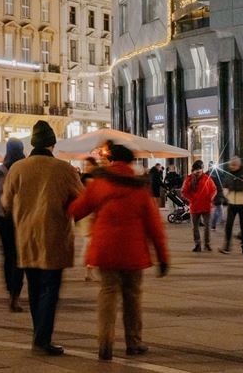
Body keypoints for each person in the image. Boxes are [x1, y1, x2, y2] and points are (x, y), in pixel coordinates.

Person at [68, 144, 167, 360]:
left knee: (107, 293)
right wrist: (163, 257)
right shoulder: (140, 187)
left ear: (111, 161)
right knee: (132, 296)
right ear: (131, 163)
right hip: (133, 251)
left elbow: (77, 209)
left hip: (105, 249)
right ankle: (133, 342)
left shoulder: (100, 183)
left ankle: (105, 344)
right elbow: (154, 225)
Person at [0, 120, 83, 357]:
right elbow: (81, 200)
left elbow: (5, 203)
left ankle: (39, 335)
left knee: (35, 288)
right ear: (52, 143)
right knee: (50, 288)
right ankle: (42, 339)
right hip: (54, 235)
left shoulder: (17, 168)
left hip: (26, 235)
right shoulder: (64, 169)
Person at [0, 138, 26, 312]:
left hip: (3, 218)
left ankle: (10, 290)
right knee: (19, 257)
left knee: (8, 255)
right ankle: (15, 294)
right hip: (22, 218)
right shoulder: (25, 168)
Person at [217, 157, 243, 255]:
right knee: (228, 225)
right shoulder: (228, 174)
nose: (232, 167)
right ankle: (227, 246)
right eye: (231, 165)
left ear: (238, 165)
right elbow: (225, 185)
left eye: (234, 165)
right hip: (232, 203)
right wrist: (226, 194)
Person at [180, 160, 216, 252]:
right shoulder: (189, 179)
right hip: (195, 206)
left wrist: (210, 198)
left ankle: (207, 244)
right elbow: (184, 192)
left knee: (207, 226)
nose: (198, 173)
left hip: (206, 206)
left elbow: (214, 189)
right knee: (195, 227)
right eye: (196, 171)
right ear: (193, 170)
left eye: (200, 171)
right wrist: (191, 199)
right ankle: (197, 244)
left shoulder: (207, 178)